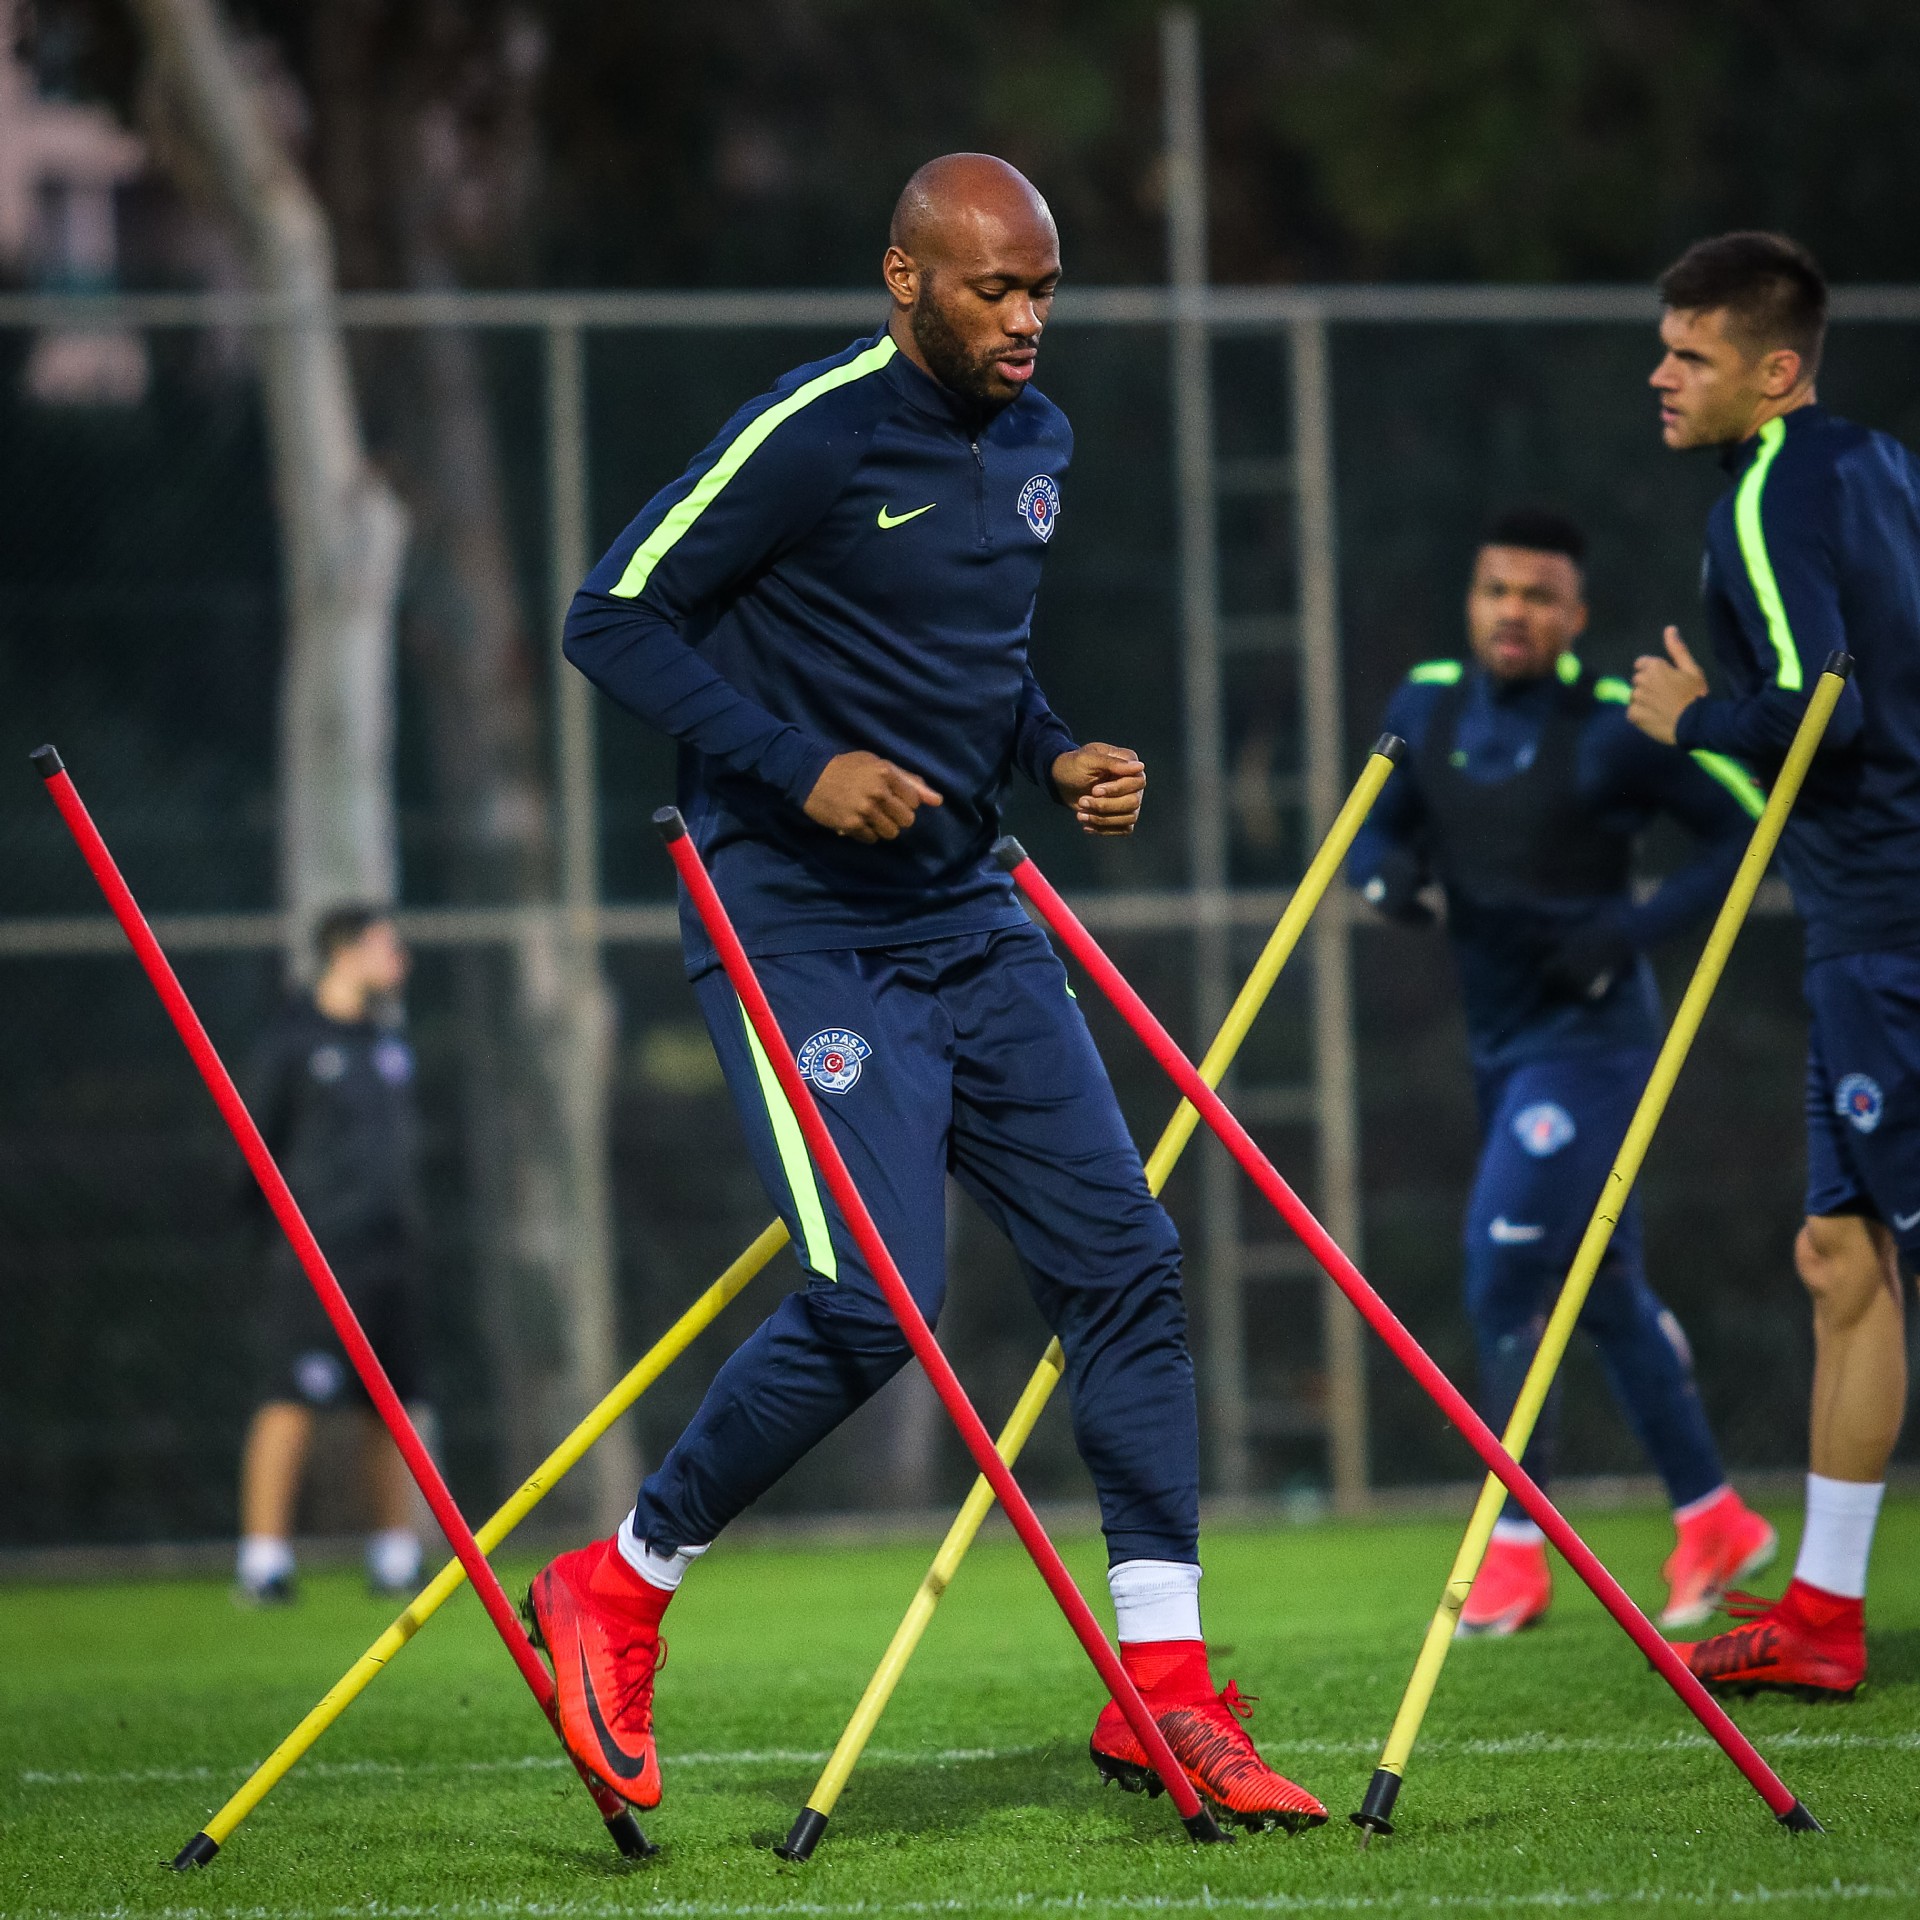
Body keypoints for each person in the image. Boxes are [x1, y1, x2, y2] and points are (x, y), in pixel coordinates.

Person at [531, 153, 1323, 1834]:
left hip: (975, 913)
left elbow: (977, 664)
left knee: (1128, 1261)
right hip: (795, 927)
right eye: (996, 289)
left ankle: (1166, 1694)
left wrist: (1058, 753)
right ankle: (620, 1584)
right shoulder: (811, 431)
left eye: (1045, 291)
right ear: (904, 280)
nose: (1029, 321)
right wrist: (796, 765)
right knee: (877, 1300)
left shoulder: (1040, 444)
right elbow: (610, 616)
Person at [1348, 508, 1777, 1636]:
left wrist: (1628, 933)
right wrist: (1380, 874)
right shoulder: (1426, 705)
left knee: (1503, 1266)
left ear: (1576, 617)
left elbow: (1748, 824)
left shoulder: (1614, 728)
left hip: (1594, 1047)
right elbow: (1376, 828)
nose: (1515, 613)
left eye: (1540, 597)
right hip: (1496, 1044)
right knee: (1601, 1285)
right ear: (1472, 601)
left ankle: (1514, 1547)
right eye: (1498, 591)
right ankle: (1715, 1518)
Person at [1630, 233, 1920, 1697]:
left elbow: (1824, 709)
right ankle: (1823, 1613)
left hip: (1891, 930)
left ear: (1776, 370)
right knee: (1839, 1258)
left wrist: (1690, 721)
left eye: (1693, 355)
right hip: (1868, 921)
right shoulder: (1879, 464)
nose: (1662, 375)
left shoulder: (1764, 492)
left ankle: (1822, 1613)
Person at [235, 906, 427, 1605]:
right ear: (346, 952)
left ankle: (395, 1554)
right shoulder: (292, 1041)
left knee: (392, 1401)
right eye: (386, 945)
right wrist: (281, 1239)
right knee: (291, 1396)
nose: (400, 959)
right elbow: (253, 1152)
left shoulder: (388, 1042)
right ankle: (263, 1561)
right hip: (317, 1257)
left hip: (390, 1252)